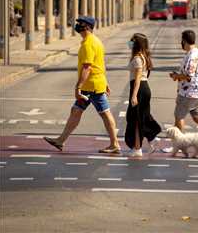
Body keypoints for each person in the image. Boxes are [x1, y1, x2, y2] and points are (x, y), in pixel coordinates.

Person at [44, 16, 120, 154]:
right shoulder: (94, 41)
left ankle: (115, 144)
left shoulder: (89, 44)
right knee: (76, 111)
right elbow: (100, 64)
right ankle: (60, 141)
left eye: (81, 23)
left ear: (88, 26)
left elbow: (87, 67)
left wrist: (78, 87)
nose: (77, 25)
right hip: (93, 84)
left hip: (92, 86)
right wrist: (106, 82)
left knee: (105, 113)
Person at [125, 33, 161, 157]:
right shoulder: (142, 56)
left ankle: (137, 148)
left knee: (135, 119)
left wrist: (134, 95)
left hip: (139, 89)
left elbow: (138, 79)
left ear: (137, 44)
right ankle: (151, 137)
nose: (130, 42)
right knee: (142, 116)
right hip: (144, 88)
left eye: (132, 41)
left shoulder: (138, 59)